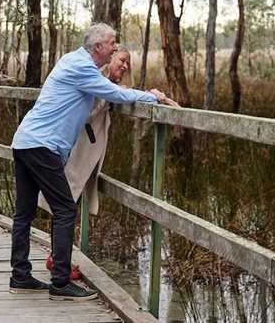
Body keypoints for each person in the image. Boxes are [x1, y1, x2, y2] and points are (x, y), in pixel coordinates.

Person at [9, 23, 175, 301]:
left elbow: (104, 92)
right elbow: (116, 94)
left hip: (25, 141)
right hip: (42, 146)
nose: (114, 47)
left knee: (24, 213)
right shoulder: (81, 67)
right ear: (98, 47)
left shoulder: (73, 61)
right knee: (65, 211)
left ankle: (20, 276)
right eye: (112, 43)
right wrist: (151, 96)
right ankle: (60, 283)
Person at [38, 49, 179, 279]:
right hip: (73, 149)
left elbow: (118, 94)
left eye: (127, 63)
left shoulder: (102, 83)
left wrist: (148, 94)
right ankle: (58, 261)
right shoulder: (95, 80)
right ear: (109, 59)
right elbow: (112, 95)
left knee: (65, 204)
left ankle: (58, 257)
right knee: (65, 204)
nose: (125, 66)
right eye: (122, 60)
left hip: (78, 150)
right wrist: (152, 96)